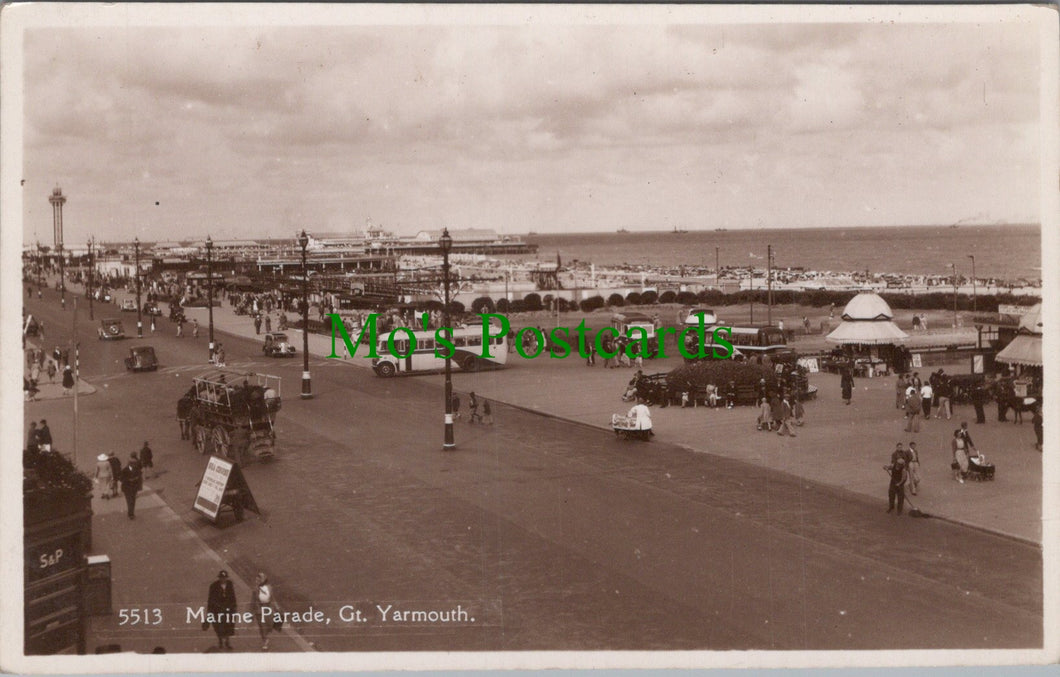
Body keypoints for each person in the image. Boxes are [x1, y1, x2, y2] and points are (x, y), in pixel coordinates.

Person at [206, 570, 237, 650]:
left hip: (228, 609)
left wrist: (234, 606)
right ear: (219, 578)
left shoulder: (229, 584)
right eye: (222, 578)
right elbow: (210, 599)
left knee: (228, 625)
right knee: (218, 626)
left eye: (224, 578)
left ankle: (227, 642)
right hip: (218, 609)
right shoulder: (213, 586)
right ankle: (220, 641)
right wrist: (209, 611)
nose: (223, 579)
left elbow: (233, 596)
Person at [250, 572, 274, 651]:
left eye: (259, 579)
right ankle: (265, 641)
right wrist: (251, 613)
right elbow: (253, 601)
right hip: (259, 610)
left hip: (268, 609)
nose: (257, 581)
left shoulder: (269, 588)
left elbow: (272, 598)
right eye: (257, 579)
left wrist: (276, 608)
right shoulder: (256, 589)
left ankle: (265, 637)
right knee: (262, 626)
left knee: (268, 625)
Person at [120, 453, 143, 519]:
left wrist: (139, 487)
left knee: (133, 501)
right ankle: (131, 514)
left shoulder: (137, 470)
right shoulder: (125, 470)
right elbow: (121, 479)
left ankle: (131, 513)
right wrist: (129, 480)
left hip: (134, 488)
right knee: (129, 501)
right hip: (127, 488)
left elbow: (139, 479)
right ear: (130, 463)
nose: (134, 465)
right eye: (133, 464)